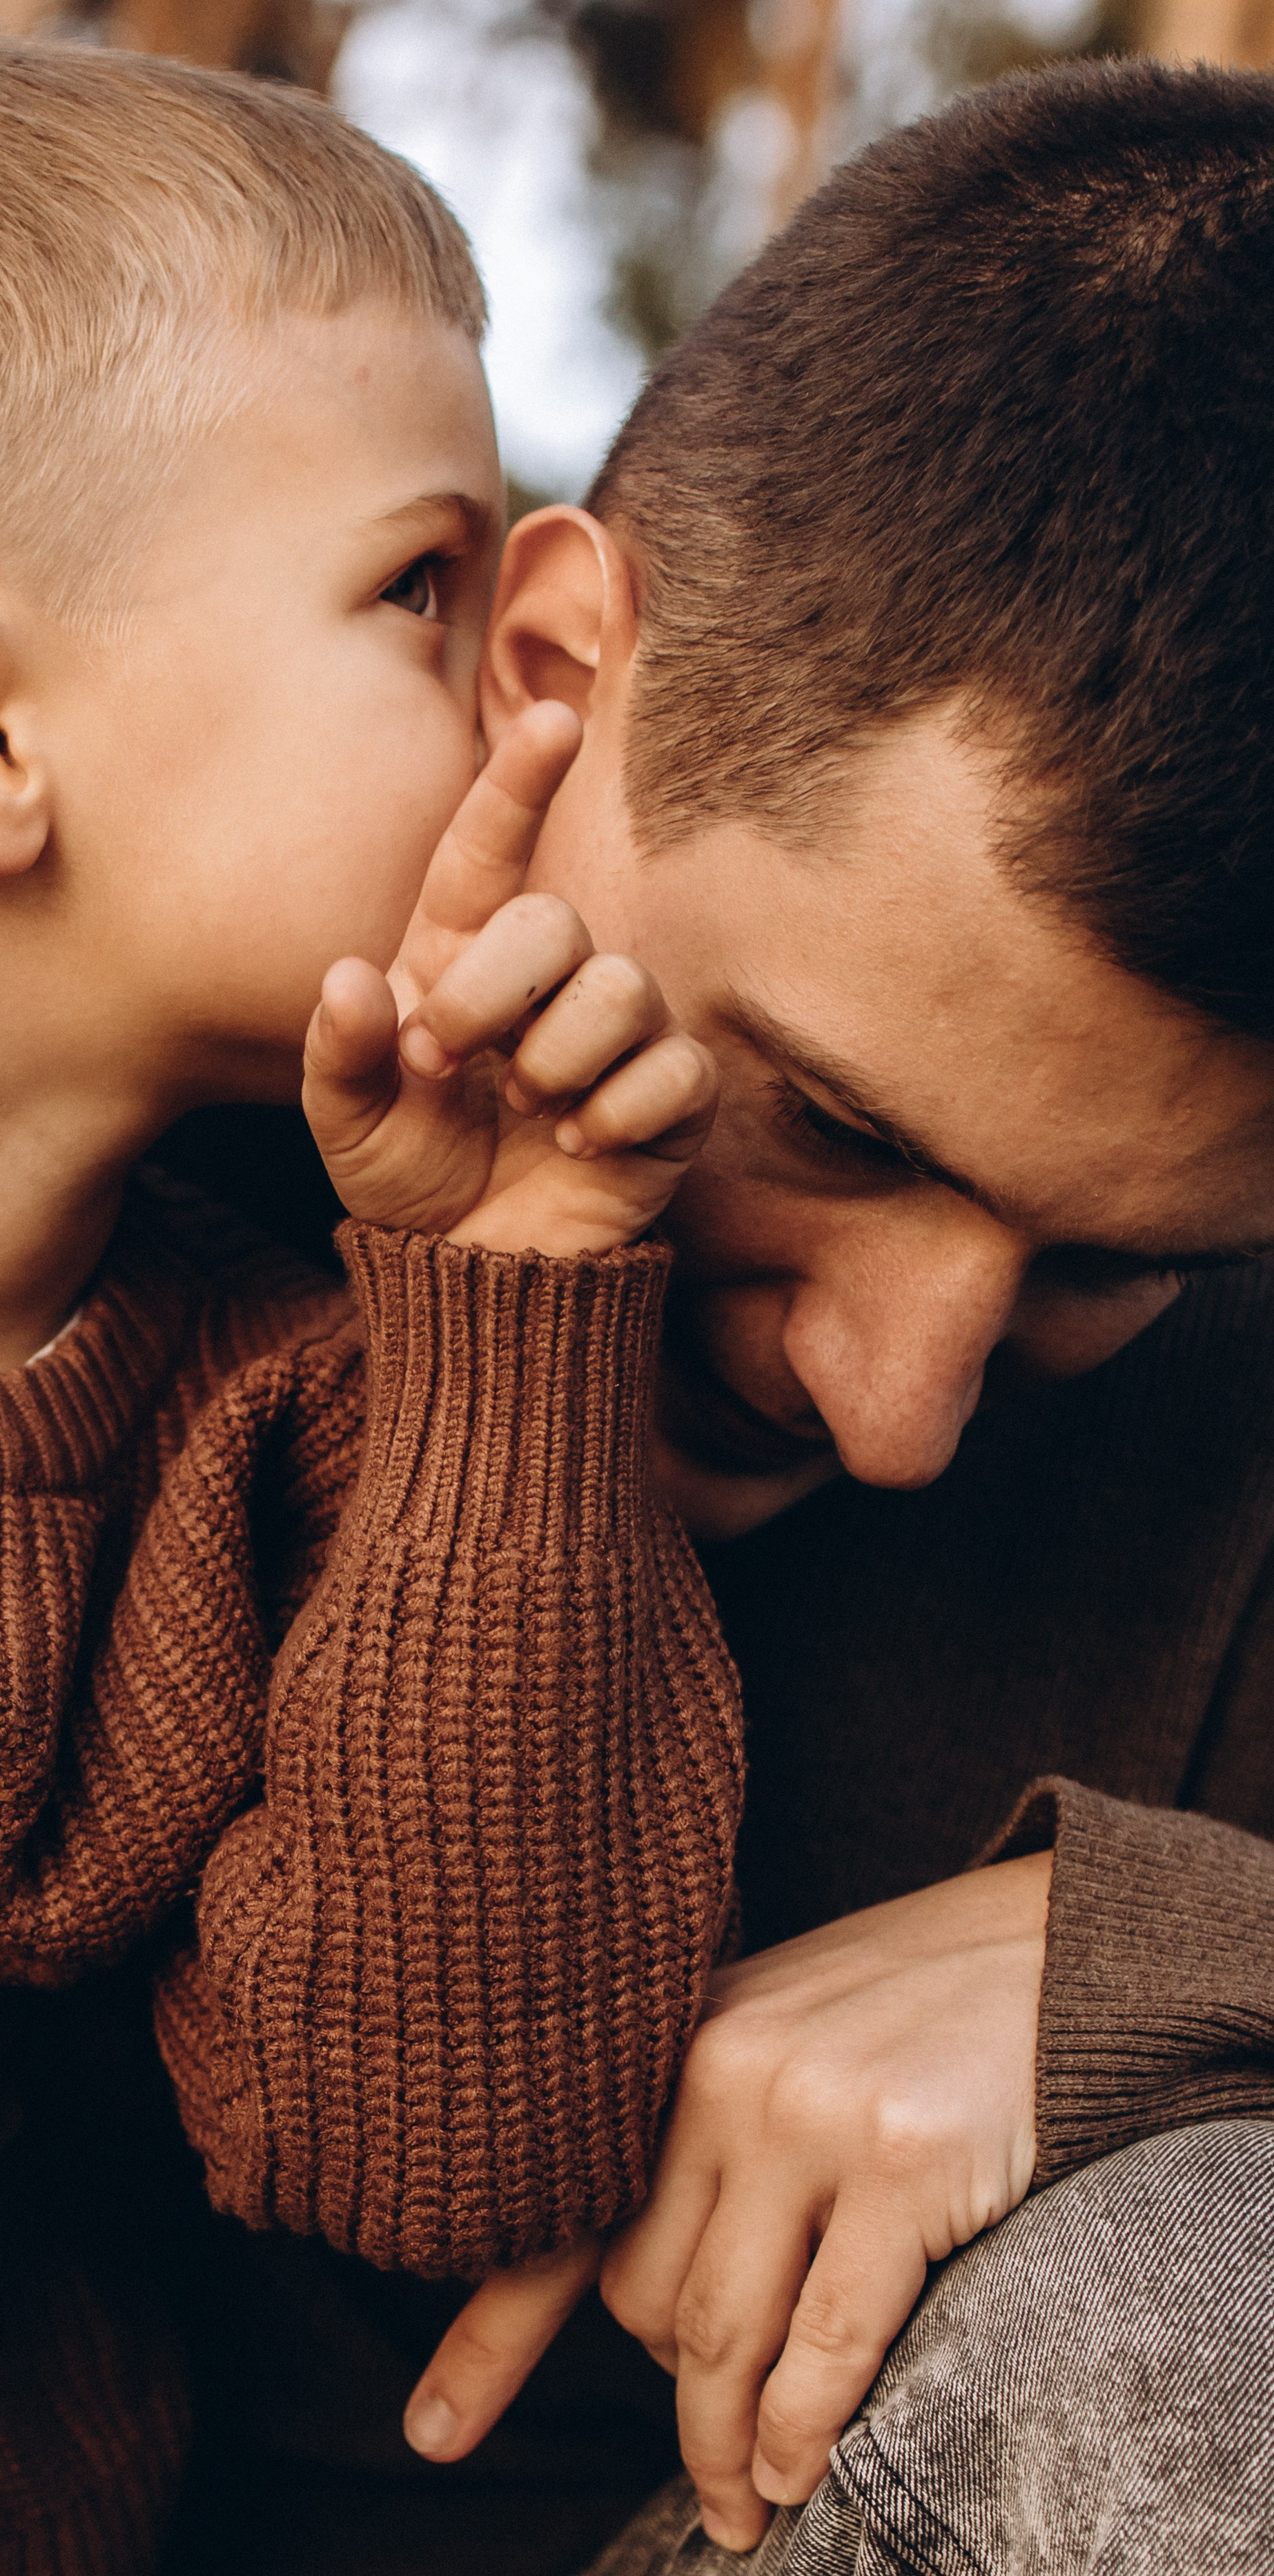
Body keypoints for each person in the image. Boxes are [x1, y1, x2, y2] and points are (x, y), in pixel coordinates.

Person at [0, 30, 742, 2573]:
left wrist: (516, 1296)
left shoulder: (303, 1396)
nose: (536, 674)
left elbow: (446, 2140)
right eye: (419, 584)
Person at [376, 57, 1274, 2576]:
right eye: (837, 1128)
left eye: (1111, 1263)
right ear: (552, 678)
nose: (900, 1409)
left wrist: (1191, 1953)